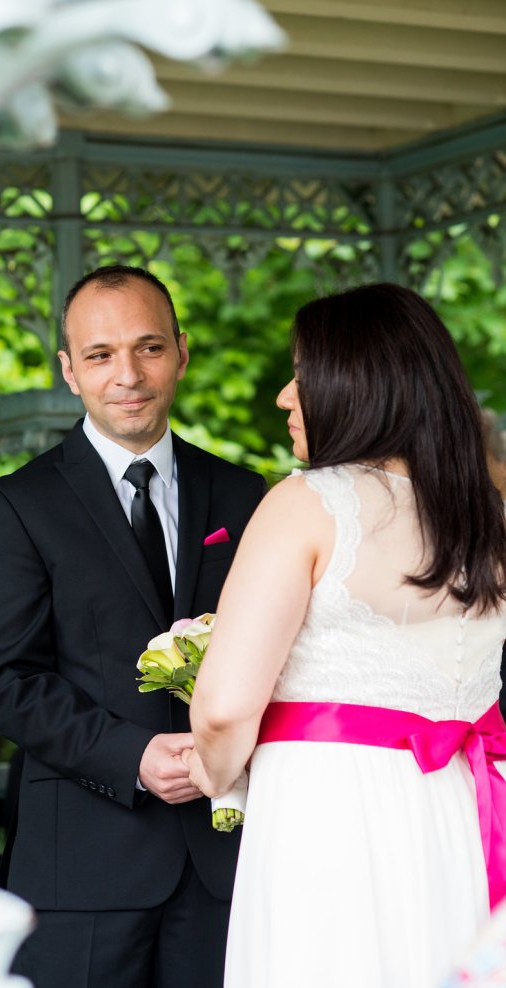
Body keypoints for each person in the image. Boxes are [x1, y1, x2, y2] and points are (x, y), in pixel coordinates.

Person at [184, 283, 506, 988]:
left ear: (356, 384)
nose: (284, 396)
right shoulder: (490, 517)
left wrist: (214, 772)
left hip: (332, 817)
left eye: (301, 374)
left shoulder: (305, 504)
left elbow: (222, 707)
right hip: (460, 810)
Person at [0, 264, 265, 988]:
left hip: (224, 862)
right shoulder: (16, 504)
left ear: (182, 353)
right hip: (85, 869)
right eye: (100, 355)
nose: (126, 374)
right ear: (70, 371)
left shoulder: (243, 493)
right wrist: (130, 755)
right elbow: (5, 679)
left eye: (149, 348)